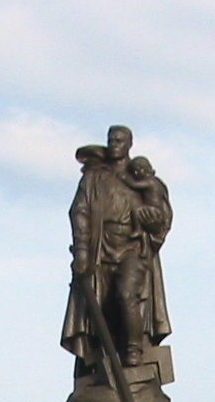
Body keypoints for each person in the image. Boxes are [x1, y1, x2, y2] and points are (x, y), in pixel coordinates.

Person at [62, 125, 172, 371]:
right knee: (100, 307)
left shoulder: (140, 177)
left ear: (129, 144)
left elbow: (162, 215)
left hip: (132, 247)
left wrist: (155, 222)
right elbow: (79, 211)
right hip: (99, 249)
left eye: (120, 140)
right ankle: (101, 361)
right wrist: (81, 251)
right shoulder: (94, 178)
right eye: (111, 140)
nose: (115, 144)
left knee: (126, 294)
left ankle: (134, 350)